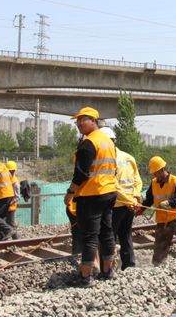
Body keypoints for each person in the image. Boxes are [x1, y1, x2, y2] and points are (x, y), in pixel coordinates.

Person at [63, 107, 117, 286]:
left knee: (89, 236)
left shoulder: (89, 143)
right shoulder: (108, 142)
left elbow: (81, 173)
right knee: (107, 232)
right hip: (108, 192)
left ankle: (86, 276)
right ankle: (108, 270)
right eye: (77, 121)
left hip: (91, 194)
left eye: (82, 120)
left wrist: (70, 193)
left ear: (93, 120)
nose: (79, 123)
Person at [99, 127, 143, 270]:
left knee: (108, 237)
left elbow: (113, 186)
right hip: (129, 206)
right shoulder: (128, 157)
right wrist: (135, 198)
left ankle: (107, 268)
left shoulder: (106, 160)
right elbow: (138, 181)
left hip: (115, 206)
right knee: (126, 235)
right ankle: (129, 265)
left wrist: (132, 200)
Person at [5, 161, 21, 239]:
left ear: (13, 171)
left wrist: (9, 203)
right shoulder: (8, 179)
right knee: (5, 223)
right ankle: (5, 239)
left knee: (10, 224)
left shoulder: (15, 182)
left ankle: (16, 240)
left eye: (11, 171)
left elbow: (17, 196)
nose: (9, 172)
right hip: (6, 206)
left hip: (11, 207)